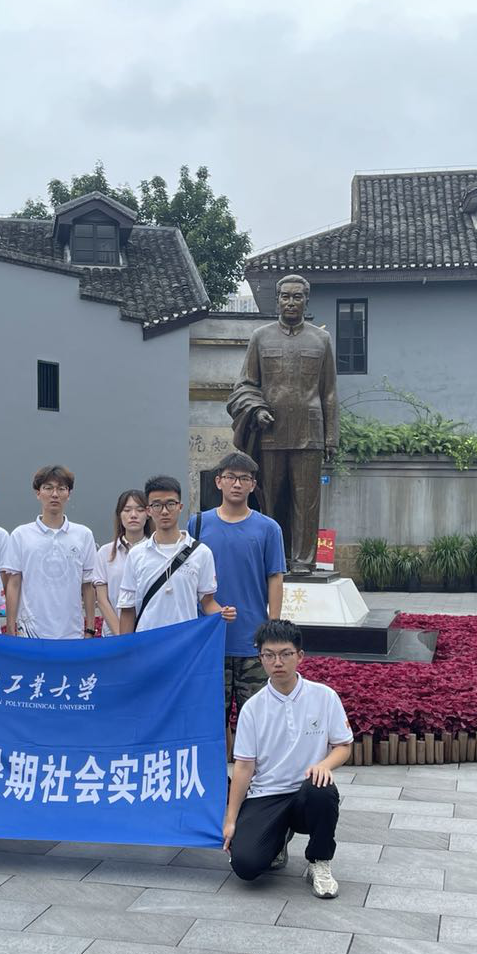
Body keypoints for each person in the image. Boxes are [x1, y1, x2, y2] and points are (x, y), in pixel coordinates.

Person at [224, 619, 353, 899]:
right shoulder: (253, 708)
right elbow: (244, 767)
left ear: (300, 656)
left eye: (285, 654)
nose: (277, 662)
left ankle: (319, 861)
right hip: (267, 794)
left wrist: (324, 765)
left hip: (306, 794)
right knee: (246, 866)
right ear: (260, 658)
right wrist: (231, 819)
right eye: (269, 655)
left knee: (322, 788)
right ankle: (277, 840)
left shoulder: (324, 697)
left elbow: (343, 746)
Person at [226, 273, 338, 573]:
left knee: (307, 503)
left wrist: (331, 437)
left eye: (297, 296)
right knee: (271, 501)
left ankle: (303, 561)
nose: (291, 302)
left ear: (306, 300)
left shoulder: (321, 339)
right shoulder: (260, 337)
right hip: (270, 433)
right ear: (277, 300)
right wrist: (256, 410)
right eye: (285, 296)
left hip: (309, 433)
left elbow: (329, 392)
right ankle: (275, 559)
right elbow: (245, 384)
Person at [189, 452, 286, 722]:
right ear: (218, 481)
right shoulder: (198, 524)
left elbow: (275, 577)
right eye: (230, 477)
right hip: (210, 639)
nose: (237, 484)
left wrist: (272, 628)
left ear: (253, 485)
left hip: (252, 640)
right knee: (210, 719)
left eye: (244, 479)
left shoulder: (268, 528)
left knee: (256, 721)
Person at [118, 475, 234, 634]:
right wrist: (125, 647)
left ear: (180, 507)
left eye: (171, 504)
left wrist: (222, 613)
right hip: (147, 642)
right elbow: (127, 609)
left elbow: (207, 603)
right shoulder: (136, 554)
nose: (164, 511)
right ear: (149, 510)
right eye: (157, 505)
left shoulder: (201, 553)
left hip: (185, 642)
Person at [2, 465, 97, 639]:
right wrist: (10, 629)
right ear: (38, 493)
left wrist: (90, 629)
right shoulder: (21, 535)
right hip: (30, 632)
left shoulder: (83, 535)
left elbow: (88, 585)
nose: (55, 494)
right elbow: (14, 584)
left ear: (69, 494)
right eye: (48, 488)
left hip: (71, 632)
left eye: (61, 488)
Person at [93, 489, 150, 636]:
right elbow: (102, 599)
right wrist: (122, 635)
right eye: (127, 510)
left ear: (148, 513)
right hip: (114, 636)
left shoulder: (155, 552)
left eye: (140, 510)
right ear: (119, 514)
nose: (133, 515)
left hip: (148, 633)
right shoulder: (105, 553)